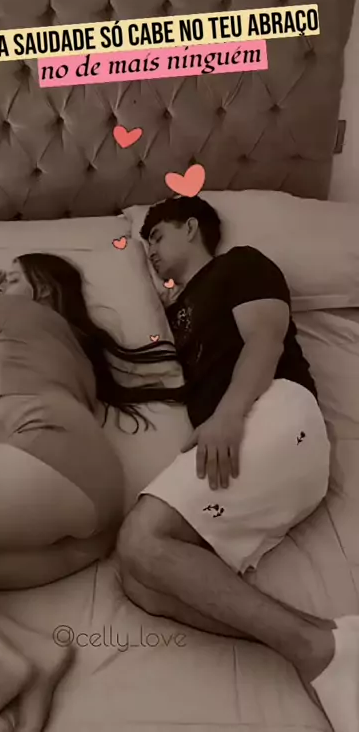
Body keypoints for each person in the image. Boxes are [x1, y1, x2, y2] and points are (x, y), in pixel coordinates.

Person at [0, 252, 182, 732]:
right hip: (89, 512)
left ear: (42, 290)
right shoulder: (68, 354)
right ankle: (37, 653)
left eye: (12, 280)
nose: (1, 288)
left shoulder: (9, 311)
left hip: (50, 458)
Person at [117, 195, 358, 732]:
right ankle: (327, 640)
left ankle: (317, 649)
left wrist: (229, 414)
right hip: (246, 446)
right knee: (142, 584)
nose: (149, 249)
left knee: (141, 540)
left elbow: (265, 339)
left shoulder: (240, 264)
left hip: (271, 412)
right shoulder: (172, 312)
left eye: (156, 235)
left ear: (191, 226)